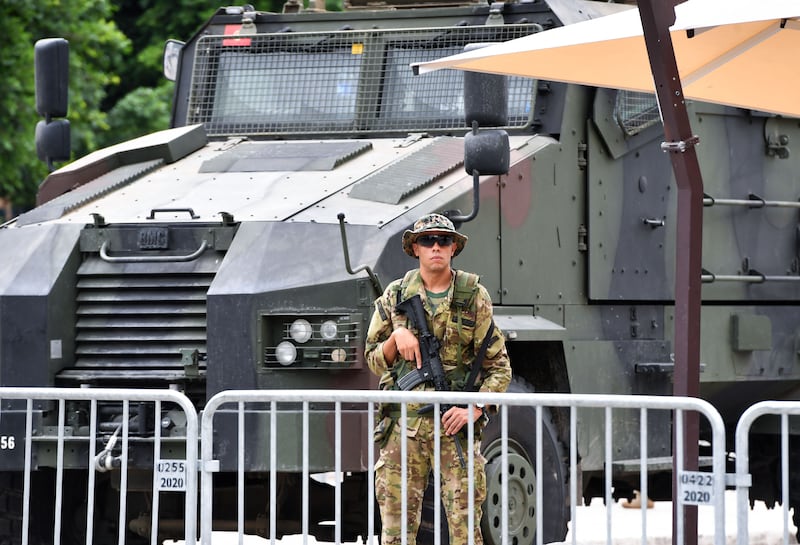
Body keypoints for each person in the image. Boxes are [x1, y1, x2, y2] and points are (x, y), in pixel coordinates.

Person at [365, 213, 511, 545]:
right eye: (427, 240)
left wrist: (474, 408)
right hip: (404, 428)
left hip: (453, 427)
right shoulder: (395, 295)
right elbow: (373, 359)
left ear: (453, 249)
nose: (435, 247)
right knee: (395, 532)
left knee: (465, 532)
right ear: (414, 248)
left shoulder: (473, 296)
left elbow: (500, 368)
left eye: (443, 241)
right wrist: (396, 338)